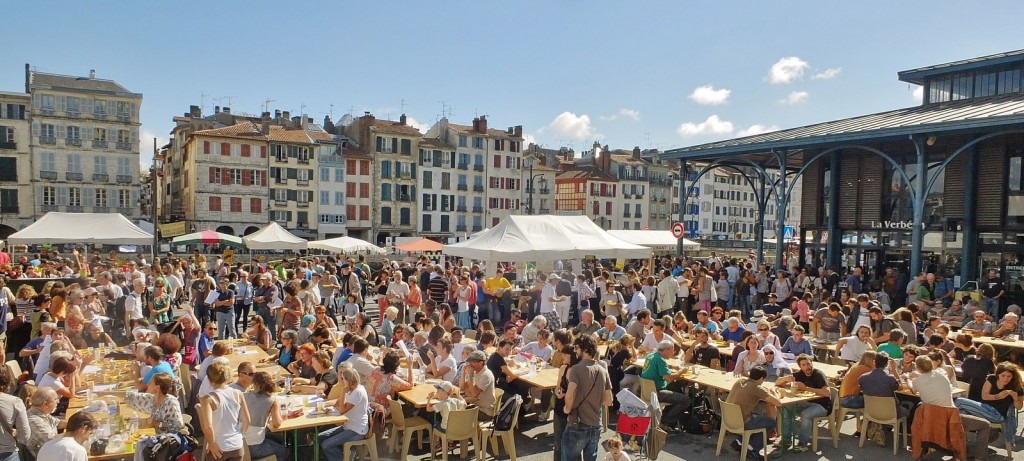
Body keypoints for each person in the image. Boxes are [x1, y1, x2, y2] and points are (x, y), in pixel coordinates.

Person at [910, 355, 992, 461]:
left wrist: (908, 379)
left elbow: (913, 389)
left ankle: (967, 449)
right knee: (986, 425)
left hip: (931, 420)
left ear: (918, 368)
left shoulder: (917, 381)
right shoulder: (942, 374)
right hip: (950, 419)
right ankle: (978, 457)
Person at [562, 334, 612, 461]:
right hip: (596, 424)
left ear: (583, 349)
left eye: (576, 348)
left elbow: (569, 394)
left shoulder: (576, 369)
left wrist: (567, 409)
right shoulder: (603, 371)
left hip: (578, 423)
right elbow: (608, 400)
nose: (575, 351)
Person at [954, 362, 1023, 450]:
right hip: (985, 408)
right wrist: (997, 396)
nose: (1006, 379)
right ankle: (964, 441)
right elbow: (984, 396)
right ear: (998, 375)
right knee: (961, 412)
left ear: (1013, 376)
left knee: (959, 402)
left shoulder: (1016, 387)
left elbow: (1019, 407)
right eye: (1003, 375)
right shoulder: (991, 379)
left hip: (997, 415)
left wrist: (1016, 398)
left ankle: (958, 438)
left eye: (1009, 376)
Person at [774, 355, 831, 453]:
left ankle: (803, 443)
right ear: (800, 366)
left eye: (808, 364)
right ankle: (786, 440)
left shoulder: (818, 374)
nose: (807, 367)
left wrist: (806, 388)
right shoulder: (799, 374)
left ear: (812, 363)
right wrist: (786, 378)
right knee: (786, 408)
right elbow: (777, 383)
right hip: (805, 403)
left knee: (806, 415)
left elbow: (827, 392)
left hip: (822, 406)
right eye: (804, 365)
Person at [725, 365, 782, 461]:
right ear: (761, 378)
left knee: (760, 419)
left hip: (728, 419)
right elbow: (778, 403)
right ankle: (752, 447)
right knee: (771, 422)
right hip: (742, 421)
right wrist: (775, 393)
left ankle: (740, 441)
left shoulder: (740, 381)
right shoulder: (757, 388)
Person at [200, 361, 251, 461]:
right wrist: (240, 435)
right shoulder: (238, 393)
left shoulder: (208, 399)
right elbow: (247, 420)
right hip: (237, 445)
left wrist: (212, 443)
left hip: (218, 446)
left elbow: (208, 426)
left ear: (209, 379)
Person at [318, 368, 369, 461]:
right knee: (319, 437)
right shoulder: (351, 389)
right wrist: (324, 404)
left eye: (343, 379)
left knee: (326, 445)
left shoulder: (357, 392)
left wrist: (343, 392)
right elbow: (338, 401)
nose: (342, 381)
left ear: (348, 380)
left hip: (356, 430)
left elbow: (342, 411)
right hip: (348, 426)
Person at [641, 340, 690, 432]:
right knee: (686, 400)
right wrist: (681, 371)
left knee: (675, 388)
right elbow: (669, 378)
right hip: (657, 392)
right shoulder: (660, 360)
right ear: (666, 350)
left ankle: (665, 417)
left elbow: (660, 368)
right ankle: (666, 421)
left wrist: (672, 368)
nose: (673, 353)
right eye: (672, 351)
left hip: (646, 391)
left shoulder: (651, 355)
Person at [244, 372, 288, 461]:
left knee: (277, 439)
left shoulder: (243, 396)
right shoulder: (272, 400)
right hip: (255, 447)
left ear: (255, 384)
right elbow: (277, 424)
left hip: (240, 444)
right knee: (284, 451)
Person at [460, 350, 497, 421]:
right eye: (469, 362)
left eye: (473, 362)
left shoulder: (486, 375)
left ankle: (464, 431)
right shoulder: (474, 371)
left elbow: (474, 394)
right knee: (454, 409)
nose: (470, 364)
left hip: (485, 411)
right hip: (474, 406)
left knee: (457, 414)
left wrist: (470, 377)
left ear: (481, 362)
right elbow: (462, 388)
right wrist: (463, 373)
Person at [26, 388, 59, 458]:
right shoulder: (33, 420)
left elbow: (57, 423)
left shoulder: (42, 412)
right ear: (46, 404)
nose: (58, 401)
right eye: (56, 399)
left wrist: (78, 422)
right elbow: (52, 441)